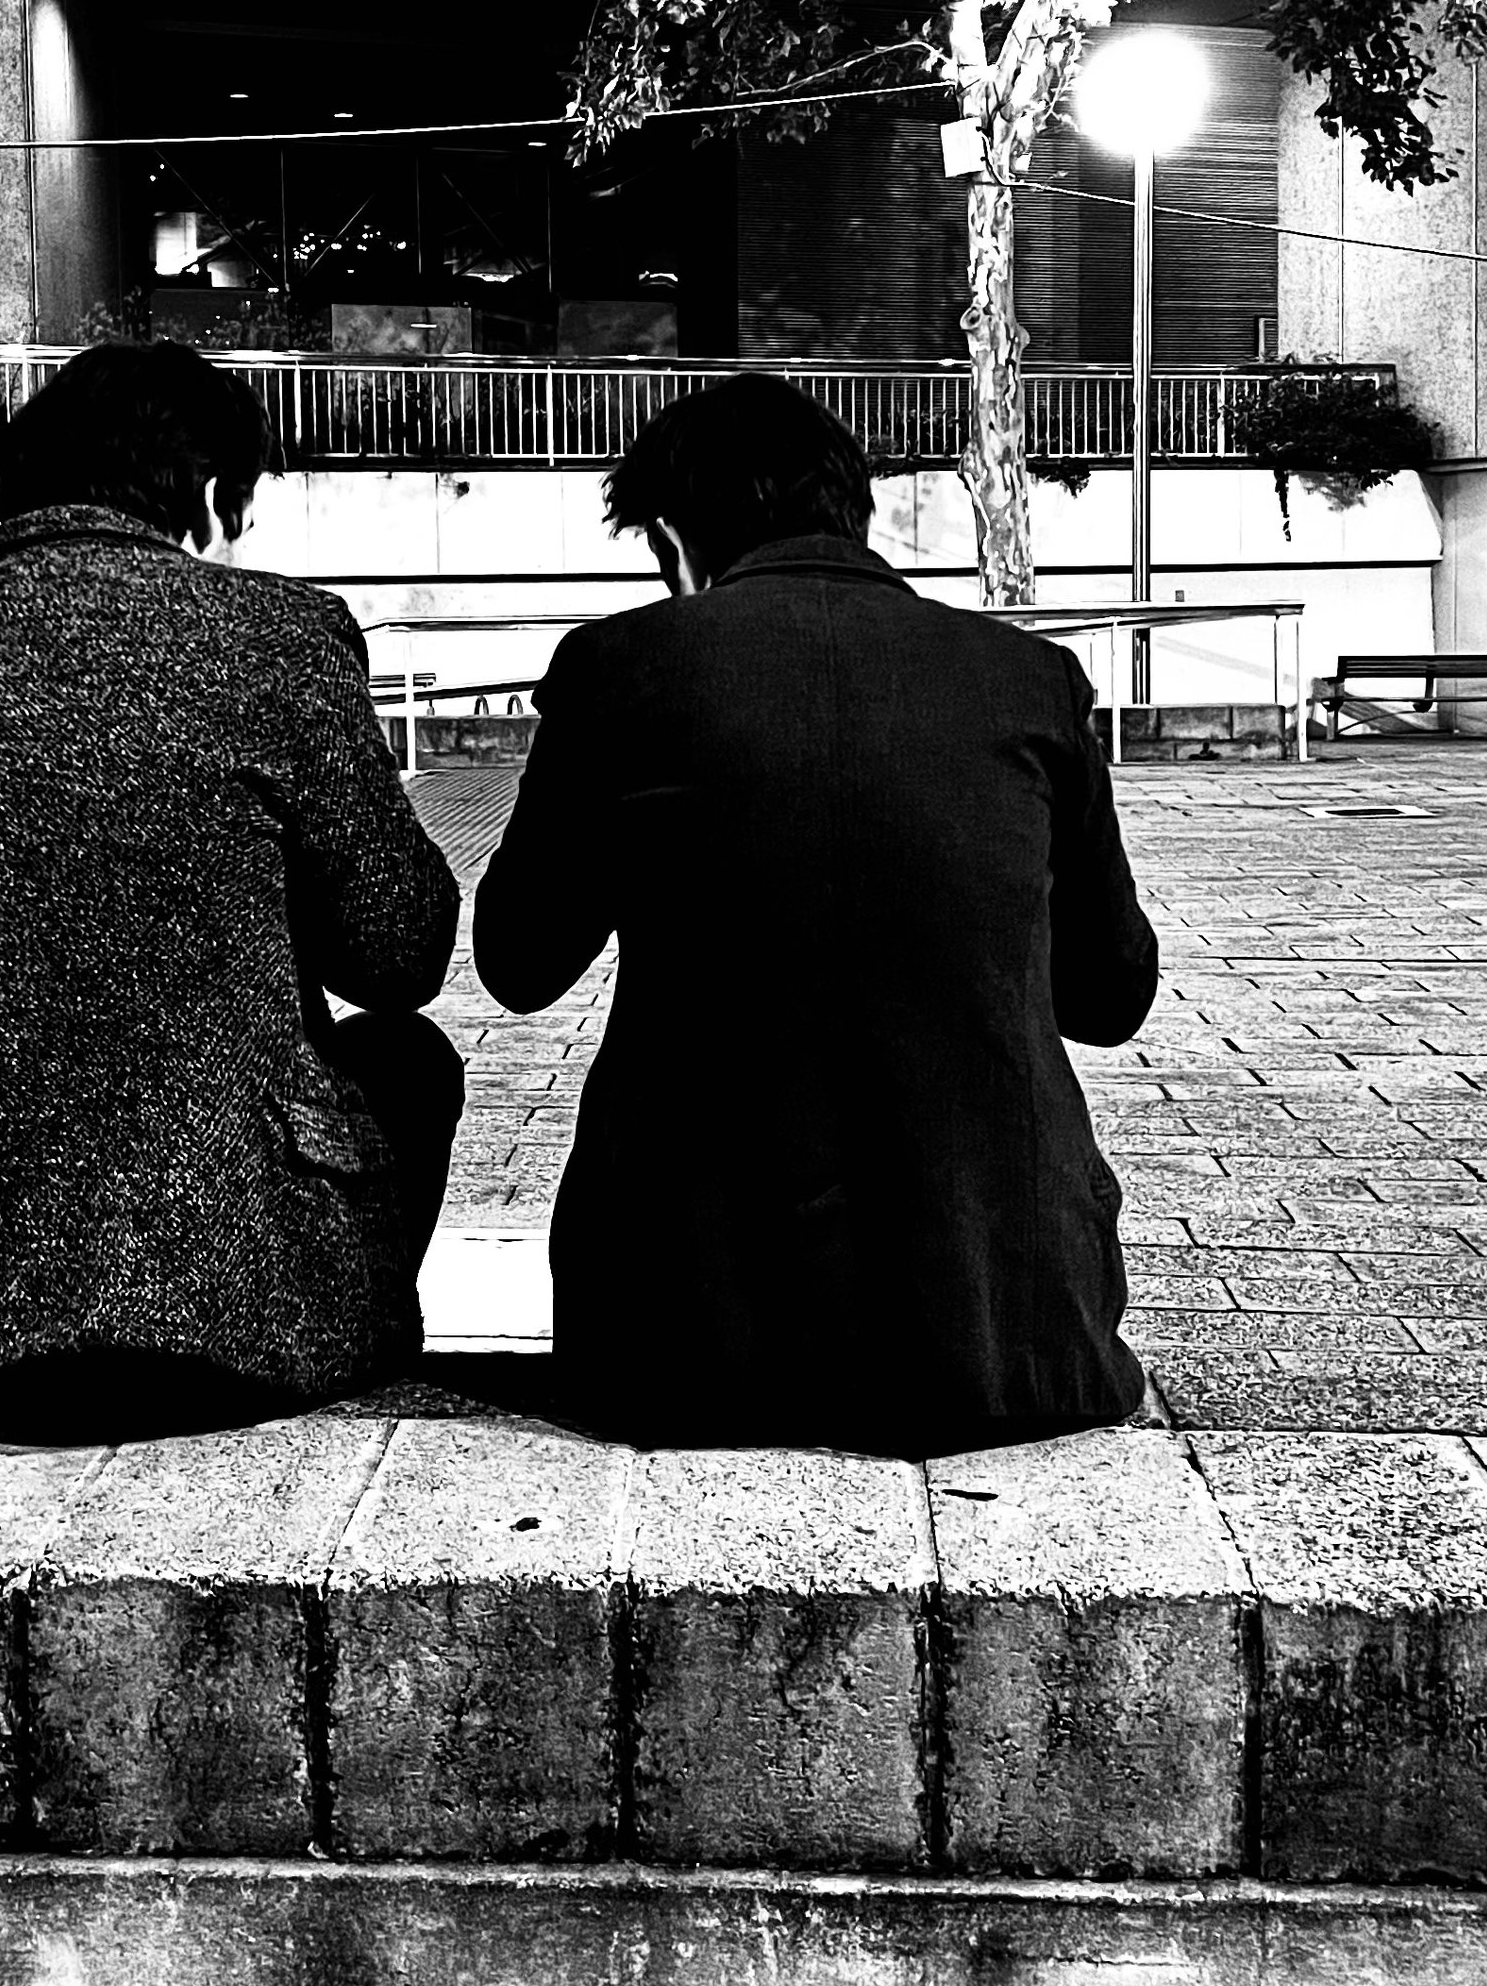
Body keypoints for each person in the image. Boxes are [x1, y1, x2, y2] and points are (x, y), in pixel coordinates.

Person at [469, 373, 1160, 1455]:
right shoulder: (1029, 676)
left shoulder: (620, 666)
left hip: (684, 1346)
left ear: (667, 535)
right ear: (856, 507)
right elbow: (1110, 995)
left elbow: (519, 960)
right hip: (1006, 1340)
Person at [0, 342, 463, 1430]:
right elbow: (399, 956)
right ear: (203, 495)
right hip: (249, 1319)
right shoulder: (281, 640)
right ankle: (337, 1313)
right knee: (406, 1062)